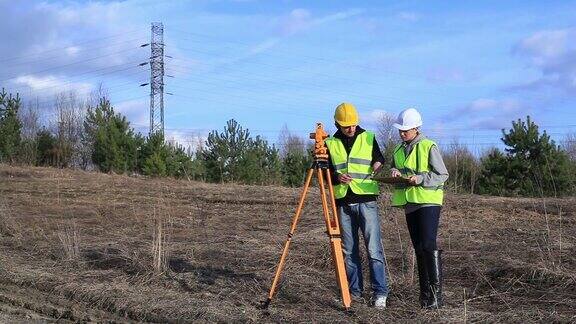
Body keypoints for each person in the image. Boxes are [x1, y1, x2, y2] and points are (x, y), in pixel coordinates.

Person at [325, 102, 389, 309]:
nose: (351, 129)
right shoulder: (330, 143)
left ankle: (380, 292)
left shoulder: (368, 137)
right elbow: (325, 174)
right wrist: (337, 177)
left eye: (353, 125)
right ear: (337, 124)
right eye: (346, 126)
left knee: (373, 249)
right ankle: (355, 292)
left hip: (366, 201)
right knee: (349, 251)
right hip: (343, 202)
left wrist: (377, 166)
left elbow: (379, 159)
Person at [390, 107, 449, 309]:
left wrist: (421, 178)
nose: (402, 133)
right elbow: (397, 170)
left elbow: (442, 175)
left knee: (427, 245)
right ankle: (424, 298)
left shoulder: (428, 145)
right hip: (410, 203)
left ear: (416, 128)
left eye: (406, 129)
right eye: (400, 130)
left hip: (428, 201)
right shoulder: (398, 150)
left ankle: (435, 298)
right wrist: (394, 172)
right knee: (418, 248)